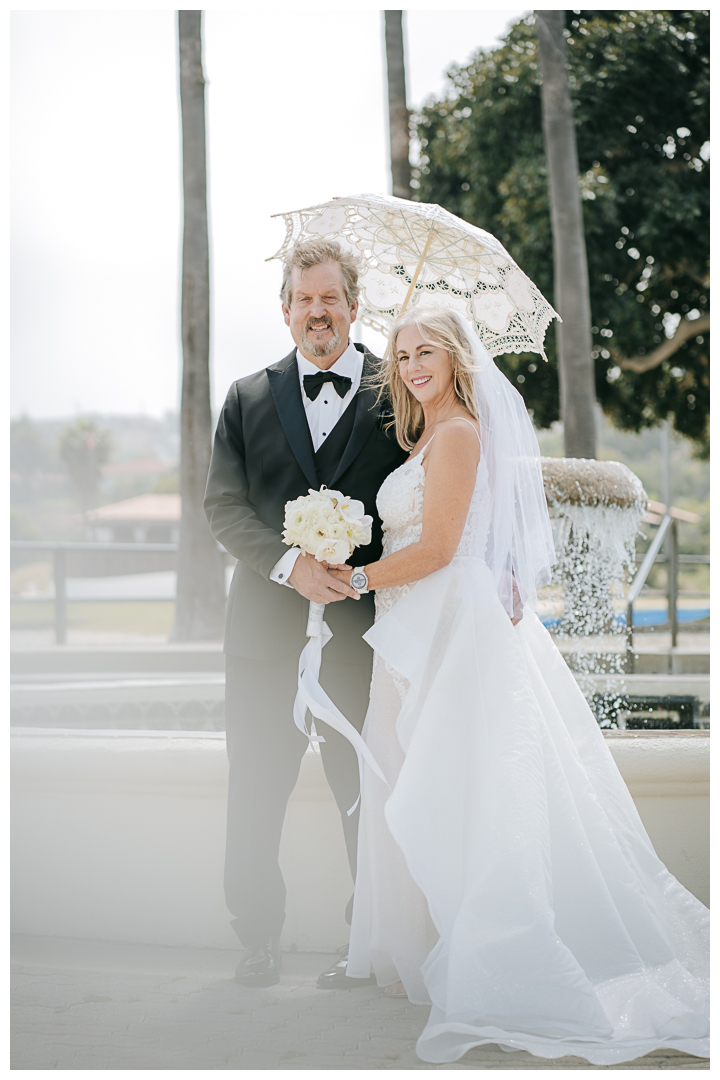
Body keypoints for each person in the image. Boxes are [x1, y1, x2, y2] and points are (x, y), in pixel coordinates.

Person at [328, 307, 709, 1066]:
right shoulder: (428, 435)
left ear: (457, 357)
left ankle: (485, 954)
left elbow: (439, 547)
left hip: (448, 626)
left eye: (426, 350)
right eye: (402, 354)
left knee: (453, 787)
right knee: (413, 781)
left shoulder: (461, 431)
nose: (411, 365)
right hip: (417, 629)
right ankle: (423, 950)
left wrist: (354, 575)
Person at [204, 239, 406, 988]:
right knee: (256, 788)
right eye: (304, 300)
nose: (317, 312)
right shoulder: (246, 397)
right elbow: (221, 507)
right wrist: (292, 565)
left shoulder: (400, 394)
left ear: (354, 306)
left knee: (366, 789)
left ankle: (368, 938)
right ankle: (256, 936)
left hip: (364, 635)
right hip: (261, 639)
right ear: (285, 310)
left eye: (330, 298)